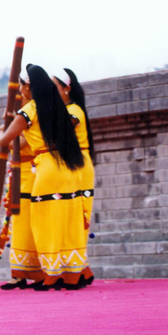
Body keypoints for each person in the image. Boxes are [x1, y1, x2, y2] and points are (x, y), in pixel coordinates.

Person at [0, 64, 90, 290]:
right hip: (65, 166)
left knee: (45, 224)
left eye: (21, 86)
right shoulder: (55, 106)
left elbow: (5, 141)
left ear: (27, 87)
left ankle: (54, 274)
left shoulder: (31, 110)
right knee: (65, 222)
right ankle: (71, 274)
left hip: (48, 169)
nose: (20, 90)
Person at [0, 99, 46, 290]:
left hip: (31, 174)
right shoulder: (20, 114)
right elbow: (0, 133)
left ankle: (40, 273)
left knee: (30, 226)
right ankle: (19, 273)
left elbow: (14, 143)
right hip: (18, 176)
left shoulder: (35, 114)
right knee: (18, 227)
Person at [51, 67, 96, 286]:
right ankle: (80, 271)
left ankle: (77, 272)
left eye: (55, 88)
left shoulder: (74, 110)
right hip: (70, 166)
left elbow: (65, 125)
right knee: (70, 220)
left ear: (66, 88)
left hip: (79, 168)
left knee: (78, 219)